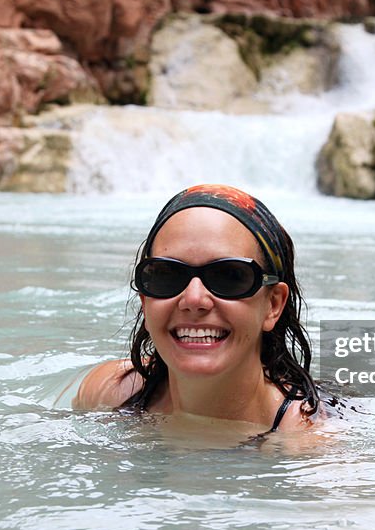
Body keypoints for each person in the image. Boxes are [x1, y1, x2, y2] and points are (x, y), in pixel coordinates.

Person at [74, 184, 320, 433]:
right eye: (166, 275)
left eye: (229, 276)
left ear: (273, 305)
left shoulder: (313, 443)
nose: (193, 299)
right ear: (145, 303)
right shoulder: (106, 394)